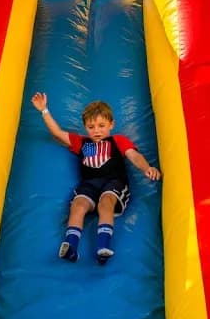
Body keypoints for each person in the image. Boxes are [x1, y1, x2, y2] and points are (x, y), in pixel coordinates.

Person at [30, 92, 161, 265]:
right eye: (91, 127)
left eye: (101, 125)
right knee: (78, 205)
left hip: (114, 183)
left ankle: (103, 247)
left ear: (111, 124)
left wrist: (147, 168)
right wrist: (44, 110)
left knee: (105, 202)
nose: (97, 130)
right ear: (85, 127)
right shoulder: (82, 143)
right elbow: (57, 134)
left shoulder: (118, 140)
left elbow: (134, 156)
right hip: (89, 184)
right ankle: (71, 247)